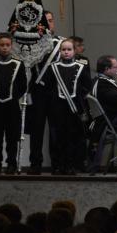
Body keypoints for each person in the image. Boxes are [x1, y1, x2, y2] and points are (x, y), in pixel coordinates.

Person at [45, 39, 93, 175]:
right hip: (57, 108)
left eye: (69, 49)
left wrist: (79, 97)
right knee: (58, 138)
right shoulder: (53, 67)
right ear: (60, 51)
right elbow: (48, 87)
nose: (66, 52)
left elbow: (87, 86)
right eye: (63, 50)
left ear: (74, 51)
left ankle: (72, 165)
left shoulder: (81, 67)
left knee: (74, 137)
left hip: (74, 108)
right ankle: (59, 165)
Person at [0, 32, 27, 174]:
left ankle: (11, 164)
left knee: (12, 139)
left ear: (11, 46)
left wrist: (13, 97)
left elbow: (22, 85)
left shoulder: (18, 64)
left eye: (7, 45)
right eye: (2, 45)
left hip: (12, 107)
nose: (5, 48)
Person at [27, 10, 63, 175]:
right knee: (36, 130)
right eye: (44, 21)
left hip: (56, 92)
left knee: (56, 130)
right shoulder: (31, 44)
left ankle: (57, 163)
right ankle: (35, 164)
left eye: (50, 20)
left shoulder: (62, 44)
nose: (48, 23)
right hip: (37, 91)